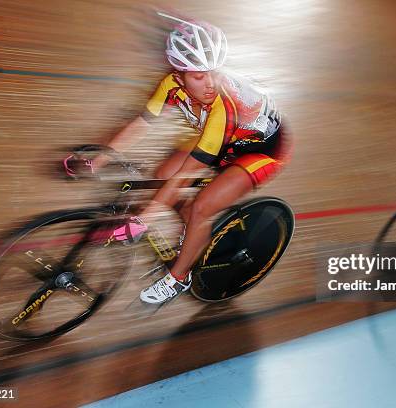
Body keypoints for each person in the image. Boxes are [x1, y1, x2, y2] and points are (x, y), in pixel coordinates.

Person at [64, 15, 291, 305]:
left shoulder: (223, 106)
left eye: (214, 72)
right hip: (224, 138)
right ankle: (194, 232)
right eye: (198, 75)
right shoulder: (170, 84)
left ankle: (179, 278)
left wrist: (142, 222)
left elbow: (188, 172)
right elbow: (142, 123)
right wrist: (101, 158)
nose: (210, 84)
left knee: (201, 207)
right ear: (179, 73)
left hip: (261, 150)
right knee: (163, 174)